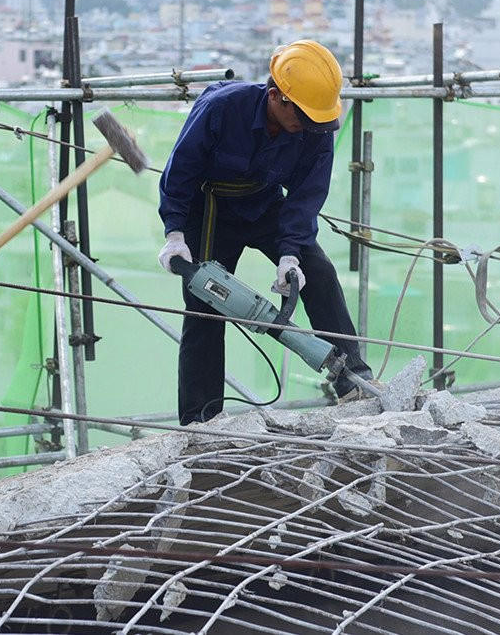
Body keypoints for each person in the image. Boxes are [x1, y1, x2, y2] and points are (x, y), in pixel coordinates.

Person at [157, 39, 374, 426]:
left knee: (318, 273)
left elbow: (307, 195)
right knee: (205, 304)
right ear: (277, 97)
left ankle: (353, 380)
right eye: (303, 118)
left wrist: (291, 252)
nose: (308, 127)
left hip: (265, 203)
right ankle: (200, 420)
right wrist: (175, 232)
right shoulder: (221, 109)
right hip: (211, 208)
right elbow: (181, 172)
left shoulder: (316, 126)